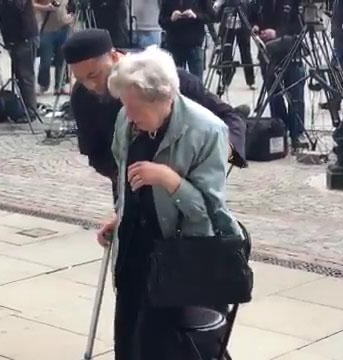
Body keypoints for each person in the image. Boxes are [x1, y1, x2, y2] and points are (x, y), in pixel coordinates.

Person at [96, 46, 240, 359]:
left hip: (176, 258)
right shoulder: (127, 119)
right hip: (134, 250)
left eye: (135, 109)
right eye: (126, 107)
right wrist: (120, 215)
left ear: (163, 98)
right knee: (127, 342)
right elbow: (125, 181)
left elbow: (208, 216)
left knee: (157, 348)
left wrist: (168, 180)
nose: (129, 117)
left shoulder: (207, 131)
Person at [63, 29, 246, 198]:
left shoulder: (161, 77)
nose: (91, 85)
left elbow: (228, 118)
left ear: (113, 56)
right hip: (132, 193)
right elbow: (94, 151)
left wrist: (217, 155)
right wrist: (123, 174)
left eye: (94, 75)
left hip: (183, 192)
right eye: (81, 79)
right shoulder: (82, 95)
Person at [250, 0, 306, 148]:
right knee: (274, 96)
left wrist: (277, 34)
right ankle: (280, 132)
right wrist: (254, 26)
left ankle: (296, 135)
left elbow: (301, 26)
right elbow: (251, 14)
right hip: (267, 55)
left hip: (290, 53)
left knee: (295, 97)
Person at [0, 0, 39, 115]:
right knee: (19, 75)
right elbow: (0, 10)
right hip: (14, 38)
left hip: (24, 38)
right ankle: (24, 107)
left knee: (25, 75)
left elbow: (16, 7)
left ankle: (31, 110)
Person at [159, 0, 215, 78]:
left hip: (194, 44)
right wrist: (171, 18)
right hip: (174, 44)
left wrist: (195, 16)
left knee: (197, 79)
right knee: (175, 79)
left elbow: (212, 17)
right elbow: (161, 21)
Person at [34, 0, 73, 95]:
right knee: (45, 60)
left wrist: (71, 17)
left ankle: (60, 85)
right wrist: (46, 8)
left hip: (64, 28)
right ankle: (43, 84)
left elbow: (73, 6)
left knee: (62, 59)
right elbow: (31, 4)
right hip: (47, 29)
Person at [214, 0, 255, 89]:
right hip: (228, 28)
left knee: (246, 54)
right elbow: (217, 17)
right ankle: (225, 81)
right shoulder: (225, 3)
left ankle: (250, 81)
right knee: (226, 54)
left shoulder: (244, 2)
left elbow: (250, 14)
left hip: (242, 28)